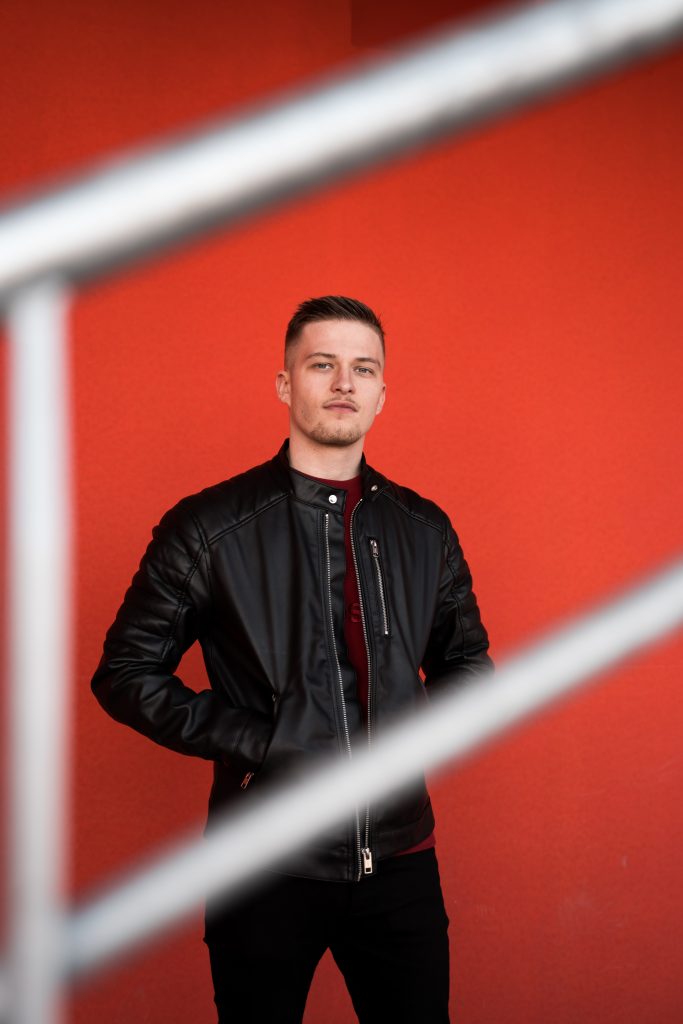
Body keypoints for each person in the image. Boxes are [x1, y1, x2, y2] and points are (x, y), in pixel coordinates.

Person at [92, 295, 492, 1023]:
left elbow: (468, 665)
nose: (343, 382)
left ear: (381, 393)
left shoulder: (424, 528)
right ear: (285, 384)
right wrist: (267, 742)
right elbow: (125, 673)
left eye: (362, 368)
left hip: (400, 858)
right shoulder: (208, 528)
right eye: (321, 364)